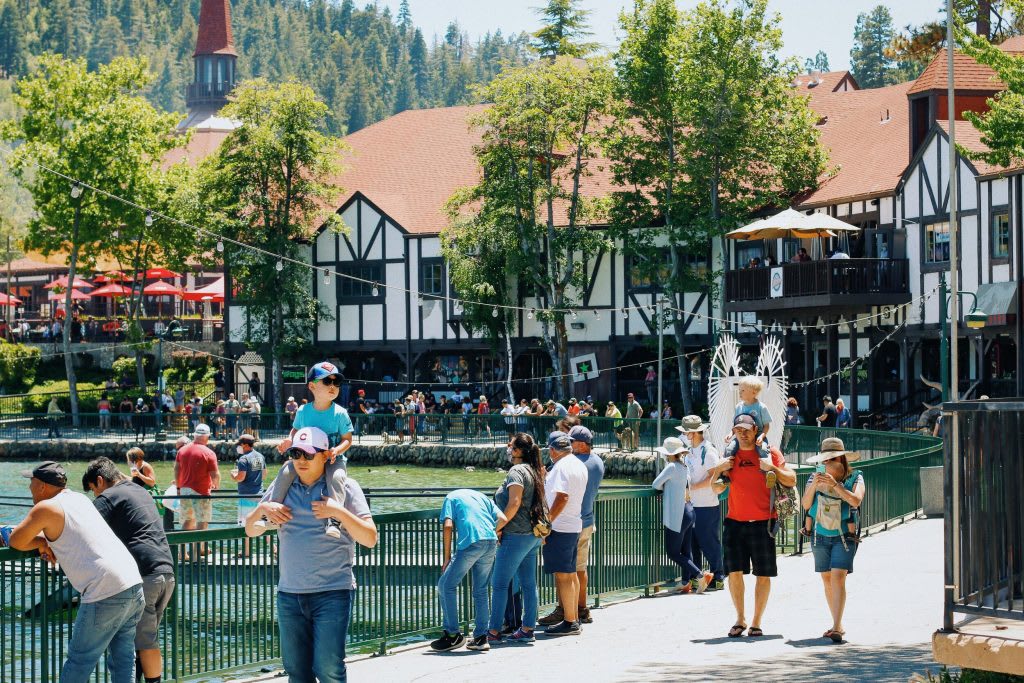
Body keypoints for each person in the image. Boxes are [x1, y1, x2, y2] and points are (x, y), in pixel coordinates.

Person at [244, 426, 377, 683]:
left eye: (308, 454)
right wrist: (261, 510)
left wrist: (337, 512)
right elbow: (250, 530)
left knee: (328, 669)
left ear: (326, 455)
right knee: (297, 673)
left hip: (333, 592)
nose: (301, 460)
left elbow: (370, 538)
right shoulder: (282, 487)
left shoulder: (346, 487)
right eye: (296, 453)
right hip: (289, 594)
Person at [8, 462, 144, 683]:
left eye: (31, 482)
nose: (29, 487)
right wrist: (45, 541)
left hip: (104, 589)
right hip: (132, 582)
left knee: (80, 661)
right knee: (123, 659)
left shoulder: (46, 508)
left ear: (42, 486)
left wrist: (41, 542)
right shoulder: (79, 499)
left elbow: (16, 540)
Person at [82, 457, 175, 683]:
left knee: (144, 642)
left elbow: (82, 526)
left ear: (100, 481)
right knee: (141, 638)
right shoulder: (138, 490)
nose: (95, 495)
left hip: (144, 574)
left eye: (93, 489)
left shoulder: (109, 497)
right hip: (166, 571)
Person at [711, 414, 796, 638]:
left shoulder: (770, 452)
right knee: (734, 573)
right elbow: (716, 489)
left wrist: (772, 468)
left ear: (756, 430)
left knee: (763, 574)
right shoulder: (729, 456)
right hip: (734, 522)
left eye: (747, 429)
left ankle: (756, 622)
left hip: (763, 523)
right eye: (738, 430)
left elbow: (792, 479)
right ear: (734, 432)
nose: (743, 433)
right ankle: (740, 619)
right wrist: (718, 470)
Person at [262, 362, 353, 539]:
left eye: (336, 382)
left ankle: (334, 520)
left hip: (333, 459)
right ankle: (273, 514)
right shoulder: (303, 411)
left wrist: (336, 450)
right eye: (327, 381)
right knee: (286, 471)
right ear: (312, 386)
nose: (333, 386)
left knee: (337, 477)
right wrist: (290, 440)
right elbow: (295, 430)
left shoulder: (341, 413)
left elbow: (347, 439)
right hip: (306, 457)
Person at [801, 438, 865, 643]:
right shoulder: (814, 477)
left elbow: (856, 500)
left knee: (838, 577)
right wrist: (815, 484)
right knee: (827, 578)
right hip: (820, 535)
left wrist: (835, 485)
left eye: (832, 459)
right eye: (825, 459)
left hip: (844, 536)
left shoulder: (856, 476)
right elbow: (805, 504)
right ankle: (837, 622)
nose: (827, 463)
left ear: (841, 459)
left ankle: (837, 627)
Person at [486, 432, 546, 644]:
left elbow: (514, 503)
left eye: (511, 446)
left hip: (515, 535)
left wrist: (496, 528)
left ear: (518, 451)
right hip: (532, 535)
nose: (508, 449)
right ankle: (528, 628)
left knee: (499, 584)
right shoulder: (534, 470)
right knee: (529, 584)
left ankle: (493, 631)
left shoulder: (517, 471)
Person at [431, 489, 507, 652]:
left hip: (471, 543)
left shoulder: (451, 497)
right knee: (481, 590)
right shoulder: (482, 497)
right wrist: (491, 532)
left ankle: (453, 635)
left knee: (446, 586)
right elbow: (503, 518)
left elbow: (448, 526)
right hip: (490, 542)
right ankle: (481, 638)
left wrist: (447, 557)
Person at [540, 431, 589, 636]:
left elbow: (562, 497)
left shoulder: (560, 468)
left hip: (560, 527)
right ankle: (573, 617)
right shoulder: (578, 464)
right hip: (573, 525)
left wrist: (547, 523)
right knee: (570, 573)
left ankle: (570, 622)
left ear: (552, 450)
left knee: (564, 575)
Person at [653, 436, 714, 594]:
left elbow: (655, 484)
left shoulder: (671, 467)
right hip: (689, 511)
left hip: (677, 514)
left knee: (673, 552)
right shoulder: (684, 466)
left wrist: (666, 488)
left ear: (668, 453)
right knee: (686, 551)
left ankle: (700, 575)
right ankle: (686, 582)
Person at [678, 415, 726, 591]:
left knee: (709, 542)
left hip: (707, 505)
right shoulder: (691, 450)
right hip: (692, 504)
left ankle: (718, 577)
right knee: (693, 543)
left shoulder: (708, 450)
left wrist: (694, 487)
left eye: (686, 432)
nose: (684, 435)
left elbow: (714, 476)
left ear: (693, 433)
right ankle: (697, 577)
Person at [174, 423, 220, 558]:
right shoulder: (209, 453)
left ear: (195, 435)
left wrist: (178, 487)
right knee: (202, 522)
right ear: (207, 437)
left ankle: (182, 553)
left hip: (184, 490)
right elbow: (215, 475)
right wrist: (216, 486)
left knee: (187, 521)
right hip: (201, 492)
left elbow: (176, 470)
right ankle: (195, 556)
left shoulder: (182, 451)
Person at [722, 377, 773, 485]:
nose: (739, 392)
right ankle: (725, 474)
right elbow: (735, 424)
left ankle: (768, 472)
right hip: (741, 435)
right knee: (729, 449)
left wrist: (762, 436)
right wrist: (731, 434)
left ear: (753, 392)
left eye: (743, 390)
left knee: (763, 450)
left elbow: (766, 426)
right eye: (739, 390)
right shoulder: (739, 407)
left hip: (757, 436)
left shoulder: (761, 407)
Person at [231, 434, 266, 558]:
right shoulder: (260, 456)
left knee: (246, 524)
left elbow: (241, 477)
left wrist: (233, 476)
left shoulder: (243, 459)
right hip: (260, 495)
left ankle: (246, 551)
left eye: (240, 445)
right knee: (263, 522)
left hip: (246, 496)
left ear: (245, 445)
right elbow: (264, 475)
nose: (239, 447)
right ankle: (274, 549)